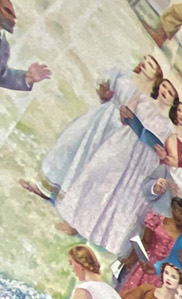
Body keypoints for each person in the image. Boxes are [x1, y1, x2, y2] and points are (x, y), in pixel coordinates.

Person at [53, 77, 179, 254]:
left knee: (121, 196)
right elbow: (124, 116)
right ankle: (75, 222)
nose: (166, 92)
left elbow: (173, 159)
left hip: (143, 161)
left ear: (173, 101)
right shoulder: (141, 98)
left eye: (171, 93)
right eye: (165, 86)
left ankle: (97, 235)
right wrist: (125, 114)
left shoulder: (168, 127)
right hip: (124, 144)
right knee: (98, 179)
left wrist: (163, 155)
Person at [20, 56, 161, 202]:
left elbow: (130, 117)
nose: (145, 64)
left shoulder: (143, 97)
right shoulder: (124, 73)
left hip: (114, 127)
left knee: (87, 157)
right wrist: (104, 93)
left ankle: (62, 194)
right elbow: (103, 90)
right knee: (71, 142)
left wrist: (125, 115)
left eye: (150, 65)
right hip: (100, 115)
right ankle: (45, 184)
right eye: (145, 60)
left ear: (156, 76)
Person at [116, 195, 182, 295]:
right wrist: (130, 260)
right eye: (175, 209)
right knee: (131, 293)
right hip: (145, 265)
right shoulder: (157, 220)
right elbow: (145, 243)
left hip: (163, 275)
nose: (177, 214)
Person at [0, 0, 48, 92]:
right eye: (7, 12)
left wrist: (27, 78)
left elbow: (1, 76)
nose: (12, 18)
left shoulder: (3, 47)